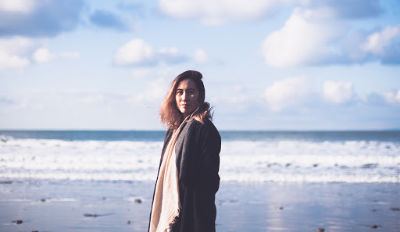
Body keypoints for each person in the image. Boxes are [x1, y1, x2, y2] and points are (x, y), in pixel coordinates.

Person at [148, 70, 221, 232]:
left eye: (191, 92)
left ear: (200, 95)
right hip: (174, 208)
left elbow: (210, 181)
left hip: (192, 213)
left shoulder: (204, 129)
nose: (184, 97)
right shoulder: (174, 129)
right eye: (180, 92)